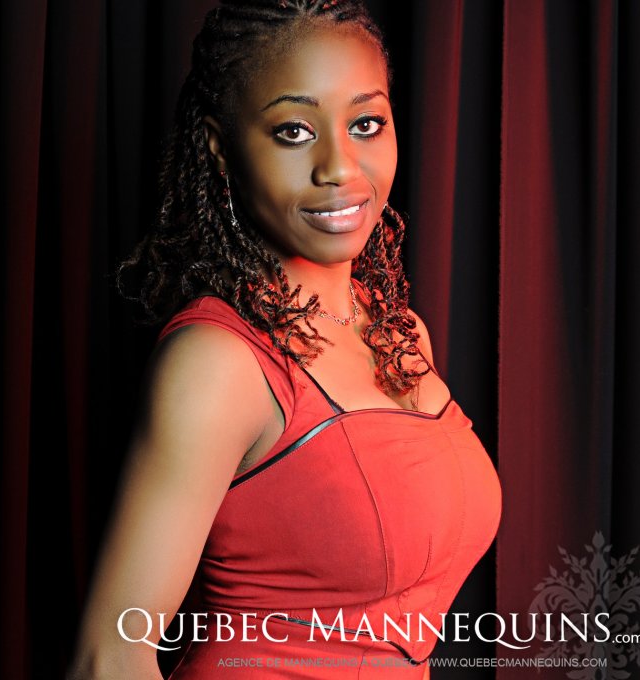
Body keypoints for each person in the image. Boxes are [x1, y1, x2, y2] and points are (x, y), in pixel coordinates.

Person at [69, 1, 502, 678]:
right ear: (222, 148)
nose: (340, 167)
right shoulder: (219, 363)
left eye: (366, 124)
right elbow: (109, 656)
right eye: (294, 131)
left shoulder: (399, 333)